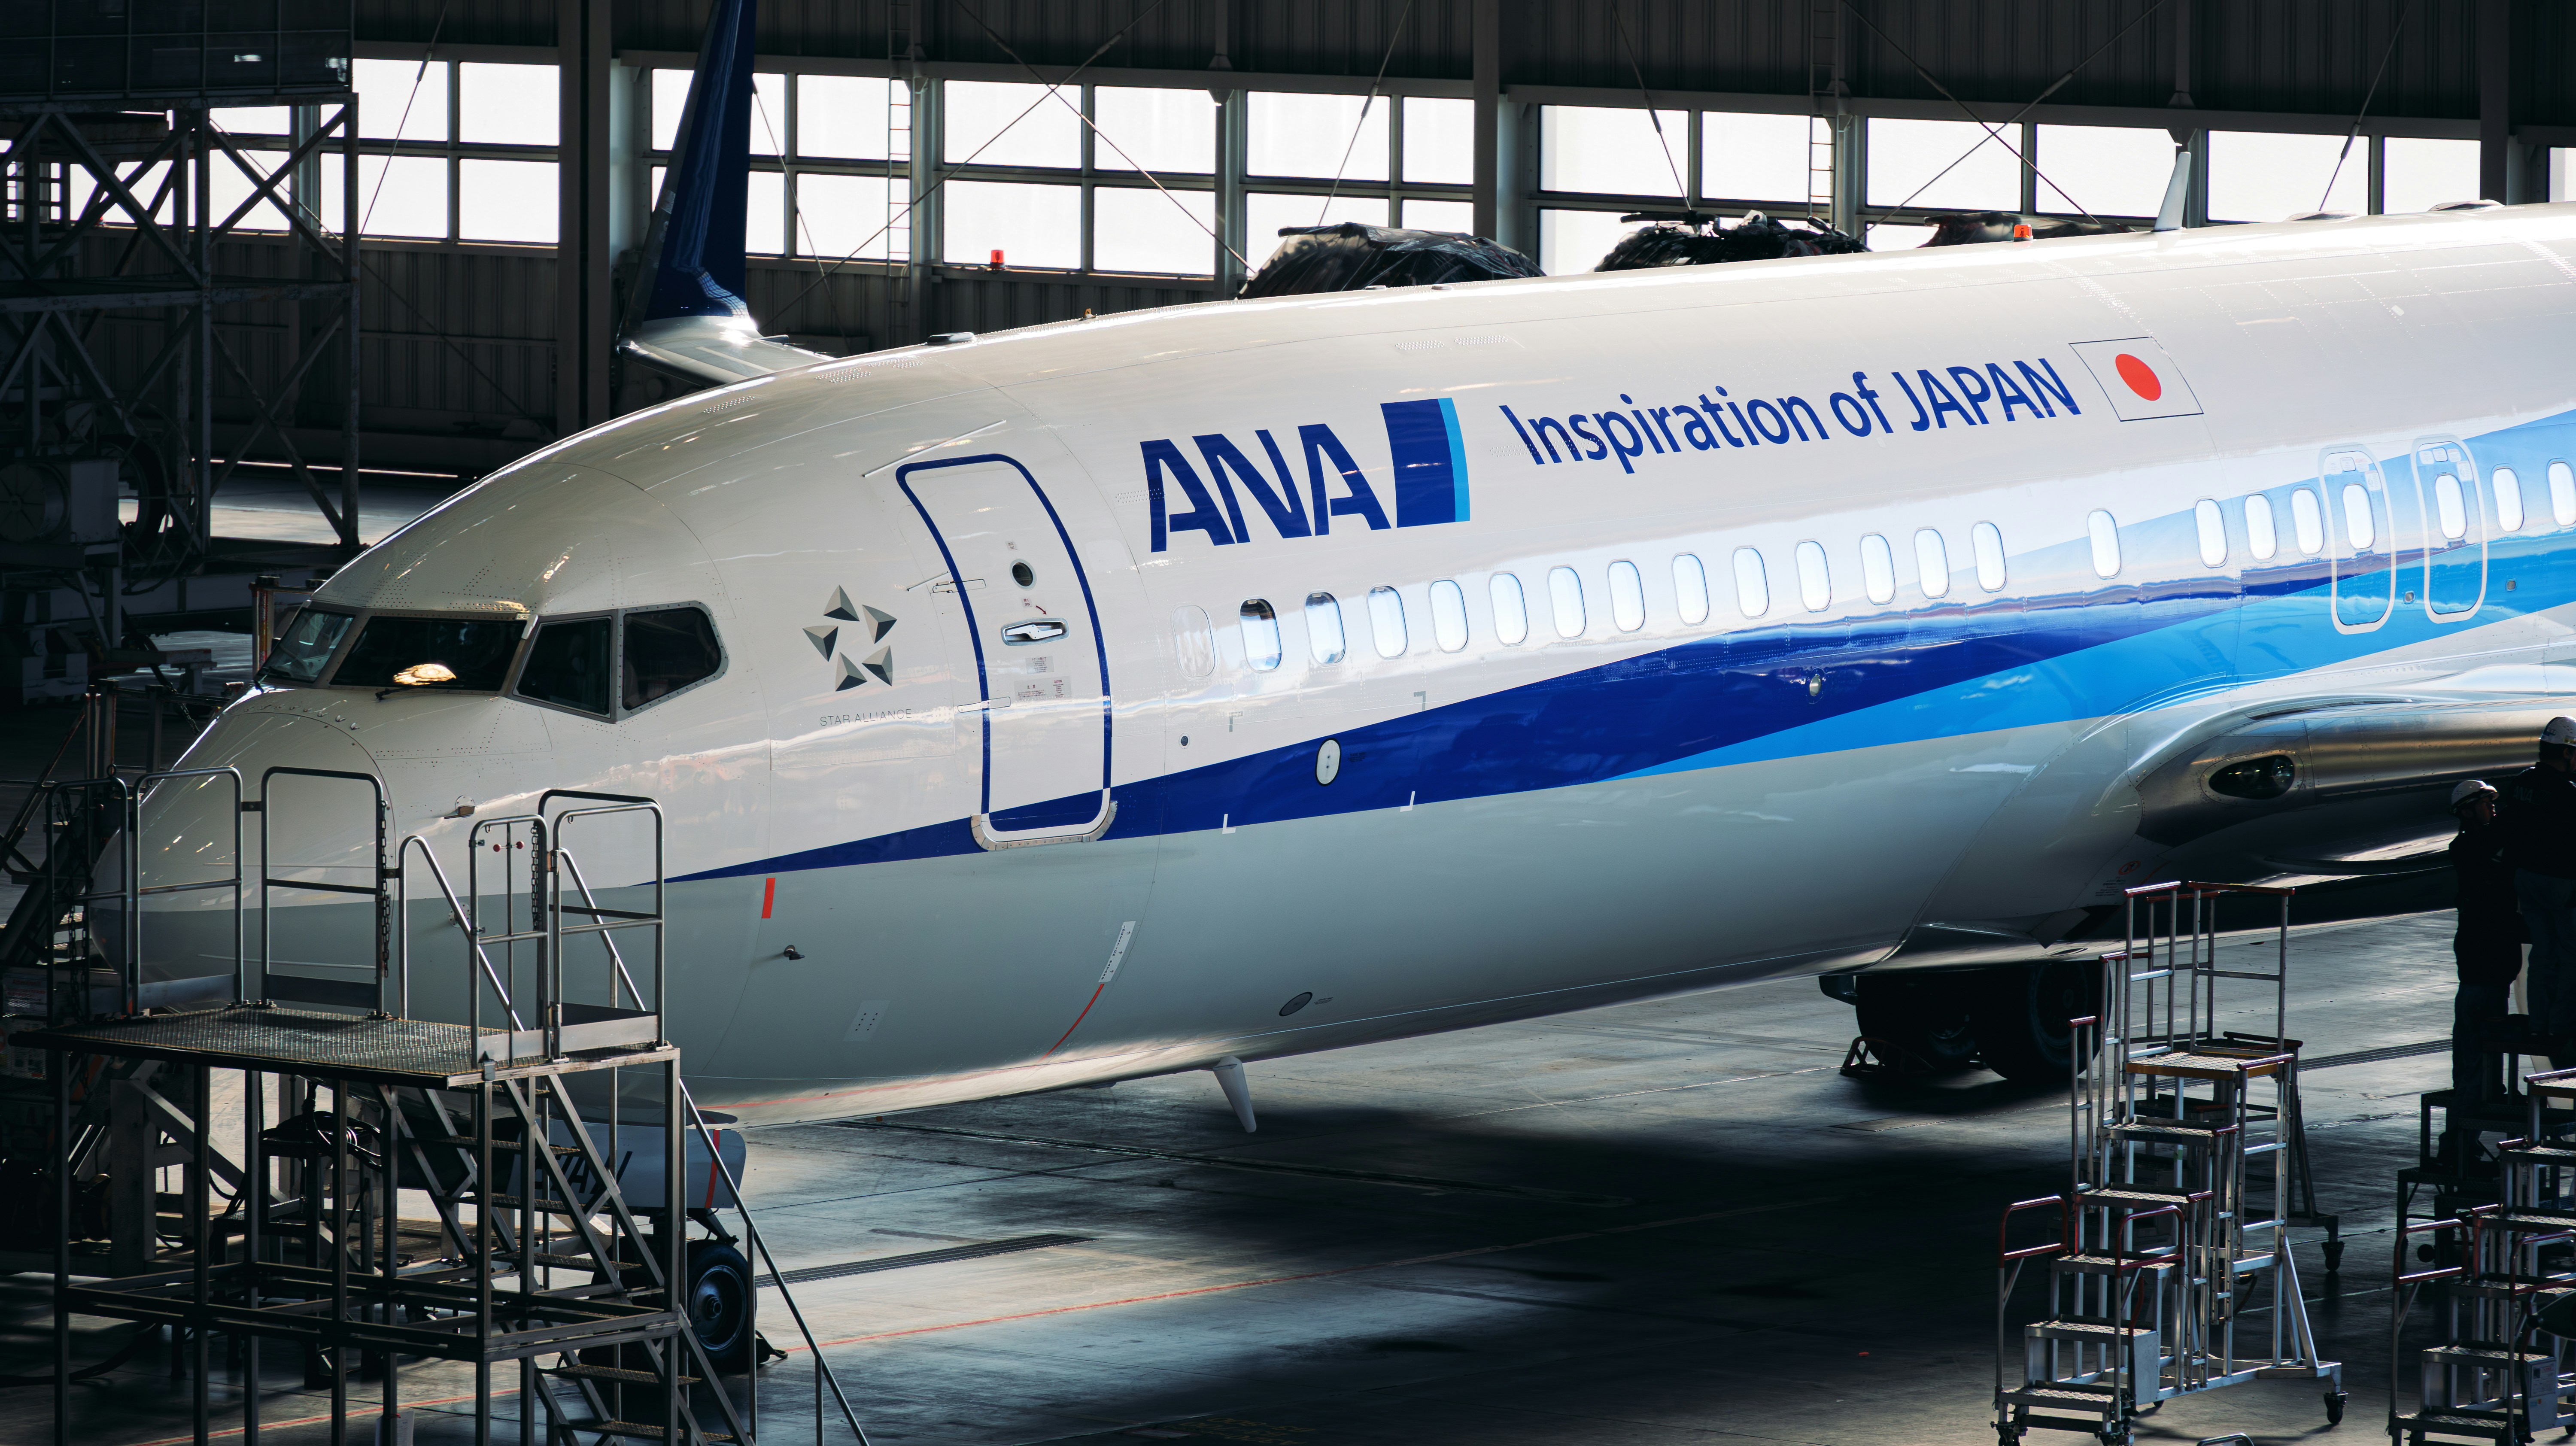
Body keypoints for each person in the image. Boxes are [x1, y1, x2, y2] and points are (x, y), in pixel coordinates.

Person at [2445, 781, 2523, 1154]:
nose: (2492, 809)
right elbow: (2496, 845)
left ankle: (2465, 1138)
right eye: (2485, 804)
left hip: (2492, 973)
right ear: (2466, 811)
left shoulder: (2484, 846)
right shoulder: (2467, 848)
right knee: (2472, 1063)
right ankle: (2458, 1144)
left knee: (2481, 1058)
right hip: (2480, 973)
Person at [2503, 717, 2576, 1066]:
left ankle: (2537, 1025)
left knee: (2541, 955)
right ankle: (2560, 1026)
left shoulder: (2521, 784)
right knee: (2570, 956)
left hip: (2526, 880)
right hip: (2560, 883)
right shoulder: (2567, 792)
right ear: (2565, 752)